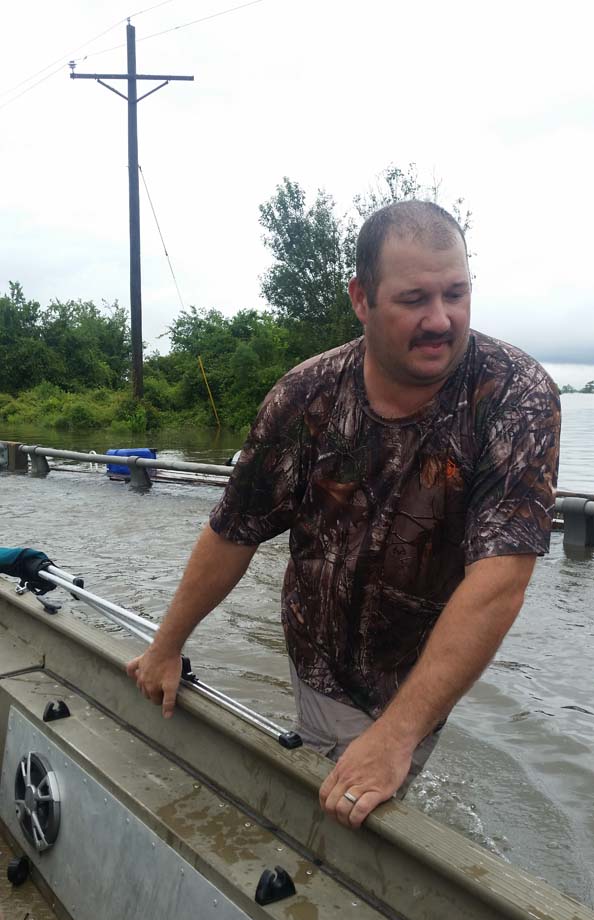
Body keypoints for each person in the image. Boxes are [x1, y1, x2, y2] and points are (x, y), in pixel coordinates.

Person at [127, 200, 560, 830]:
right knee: (335, 810)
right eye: (414, 299)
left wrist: (398, 732)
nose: (441, 319)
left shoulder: (513, 396)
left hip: (425, 661)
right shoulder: (307, 397)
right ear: (362, 298)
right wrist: (166, 646)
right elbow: (233, 530)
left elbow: (501, 581)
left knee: (380, 784)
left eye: (456, 294)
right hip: (320, 662)